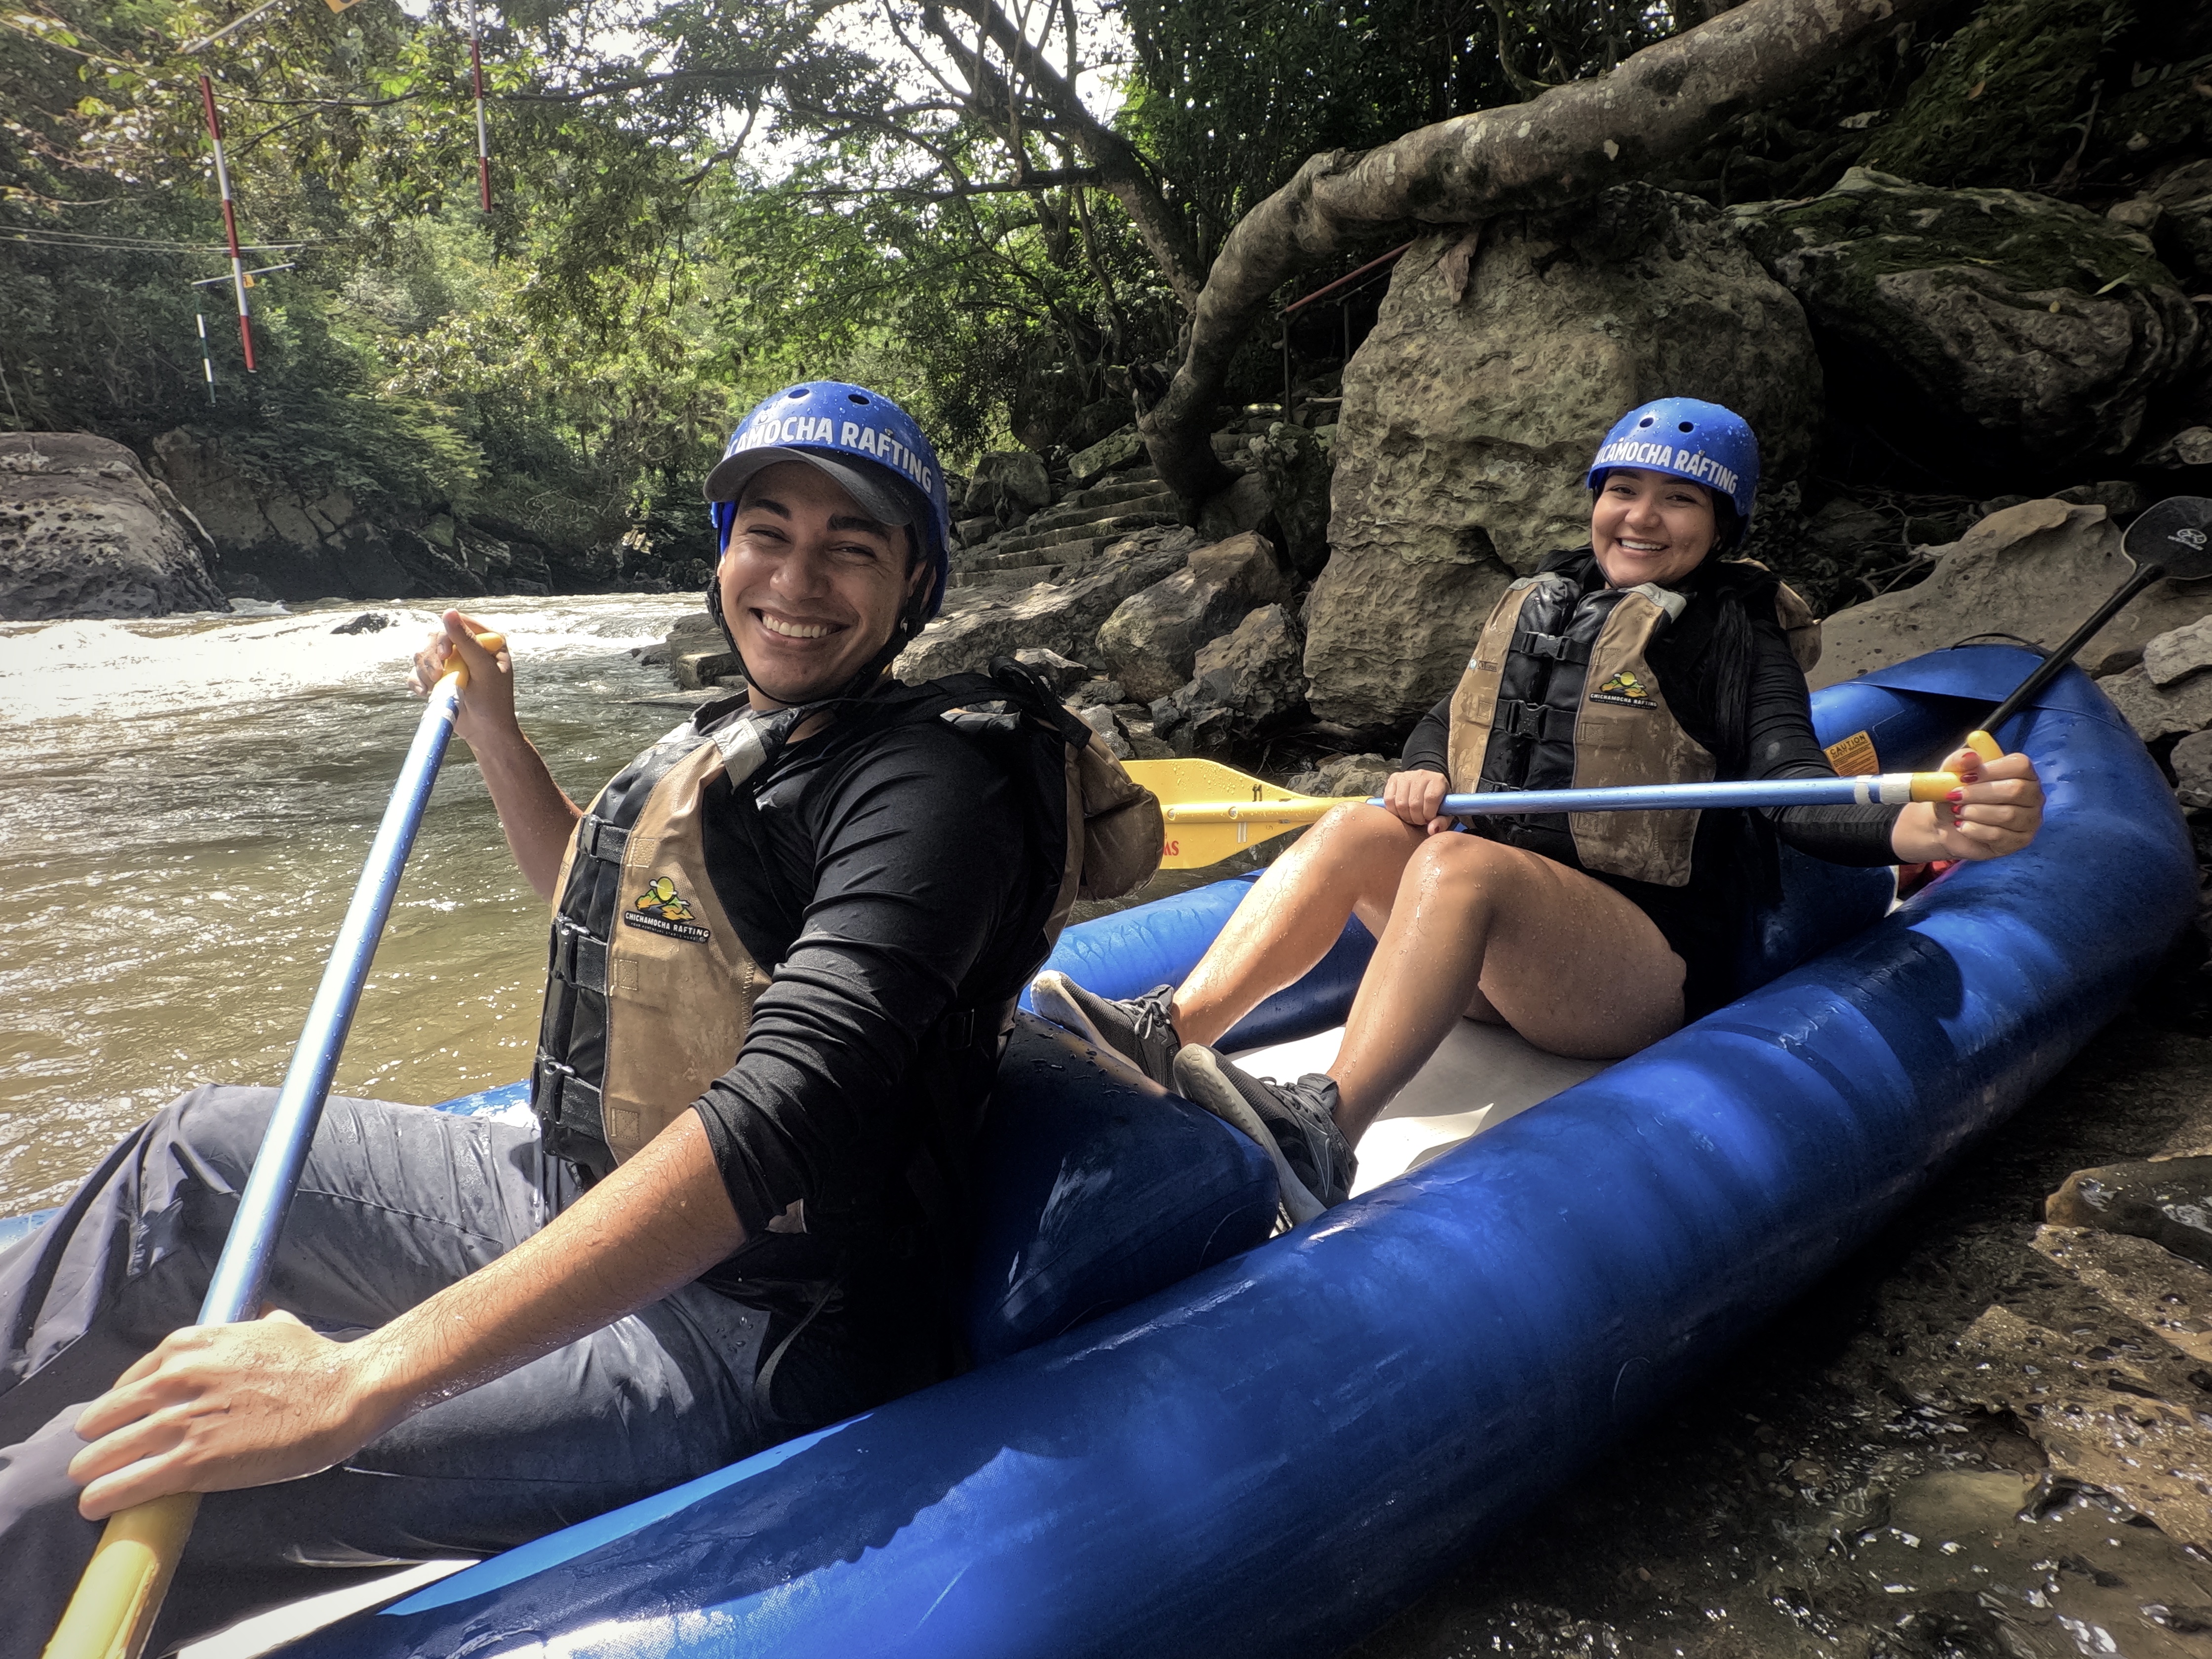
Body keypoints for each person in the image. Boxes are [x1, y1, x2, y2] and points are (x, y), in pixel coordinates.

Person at [0, 382, 1109, 1652]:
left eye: (850, 546)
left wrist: (359, 1382)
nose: (796, 579)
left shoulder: (931, 790)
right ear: (723, 547)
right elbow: (623, 908)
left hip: (751, 1327)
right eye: (768, 532)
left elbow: (787, 1112)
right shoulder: (770, 733)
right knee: (192, 1155)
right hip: (572, 1184)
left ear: (914, 586)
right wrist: (495, 735)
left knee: (90, 1481)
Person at [1033, 397, 2045, 1220]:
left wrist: (1921, 829)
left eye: (1676, 502)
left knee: (1455, 866)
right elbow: (1444, 723)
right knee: (1356, 827)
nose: (1640, 519)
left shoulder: (1736, 636)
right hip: (1500, 955)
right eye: (1621, 491)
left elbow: (1797, 794)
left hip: (1630, 974)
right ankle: (1170, 1031)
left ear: (1721, 525)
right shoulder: (1546, 601)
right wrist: (1419, 772)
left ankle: (1322, 1132)